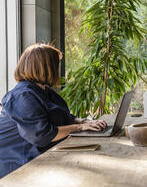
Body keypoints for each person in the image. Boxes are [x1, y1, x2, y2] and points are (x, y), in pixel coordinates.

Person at [0, 43, 107, 178]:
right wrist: (79, 127)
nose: (57, 69)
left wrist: (85, 121)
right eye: (55, 64)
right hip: (17, 165)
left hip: (42, 156)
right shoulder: (22, 95)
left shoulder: (44, 91)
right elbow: (43, 135)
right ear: (45, 67)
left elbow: (62, 117)